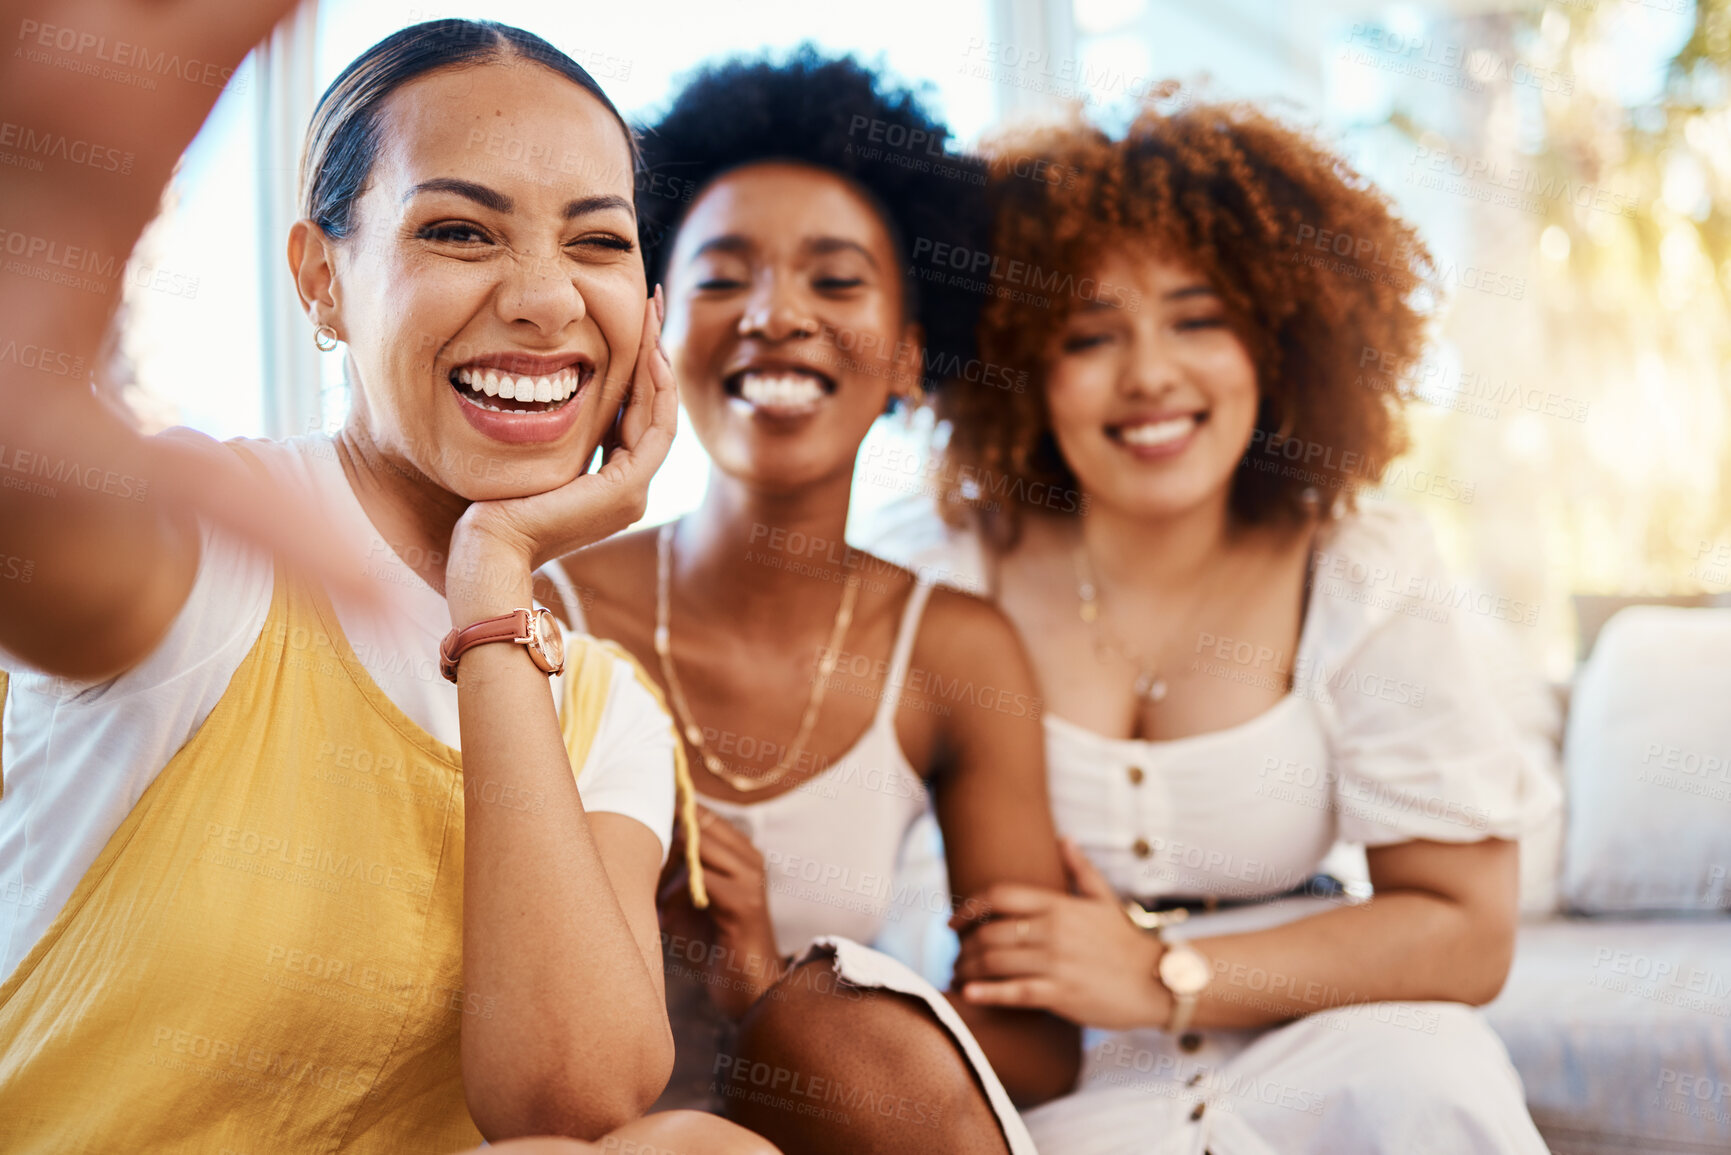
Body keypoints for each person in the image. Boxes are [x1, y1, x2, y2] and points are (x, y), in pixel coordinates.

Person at [0, 9, 770, 1154]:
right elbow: (51, 545)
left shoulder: (610, 709)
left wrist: (494, 573)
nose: (547, 299)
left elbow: (571, 1098)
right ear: (321, 280)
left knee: (694, 1149)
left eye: (600, 243)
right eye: (460, 231)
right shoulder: (212, 536)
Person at [859, 93, 1562, 1153]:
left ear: (1280, 343)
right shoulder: (935, 560)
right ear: (1021, 363)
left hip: (1330, 1047)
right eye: (1090, 335)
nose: (1150, 376)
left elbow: (1467, 930)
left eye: (1198, 320)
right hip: (1042, 1076)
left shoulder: (1361, 563)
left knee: (1431, 1079)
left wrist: (1162, 974)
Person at [547, 49, 1077, 1155]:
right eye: (723, 275)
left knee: (839, 1024)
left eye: (836, 282)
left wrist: (767, 989)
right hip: (583, 1128)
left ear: (907, 357)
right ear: (653, 325)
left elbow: (1037, 1048)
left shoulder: (956, 654)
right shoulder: (546, 610)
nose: (777, 314)